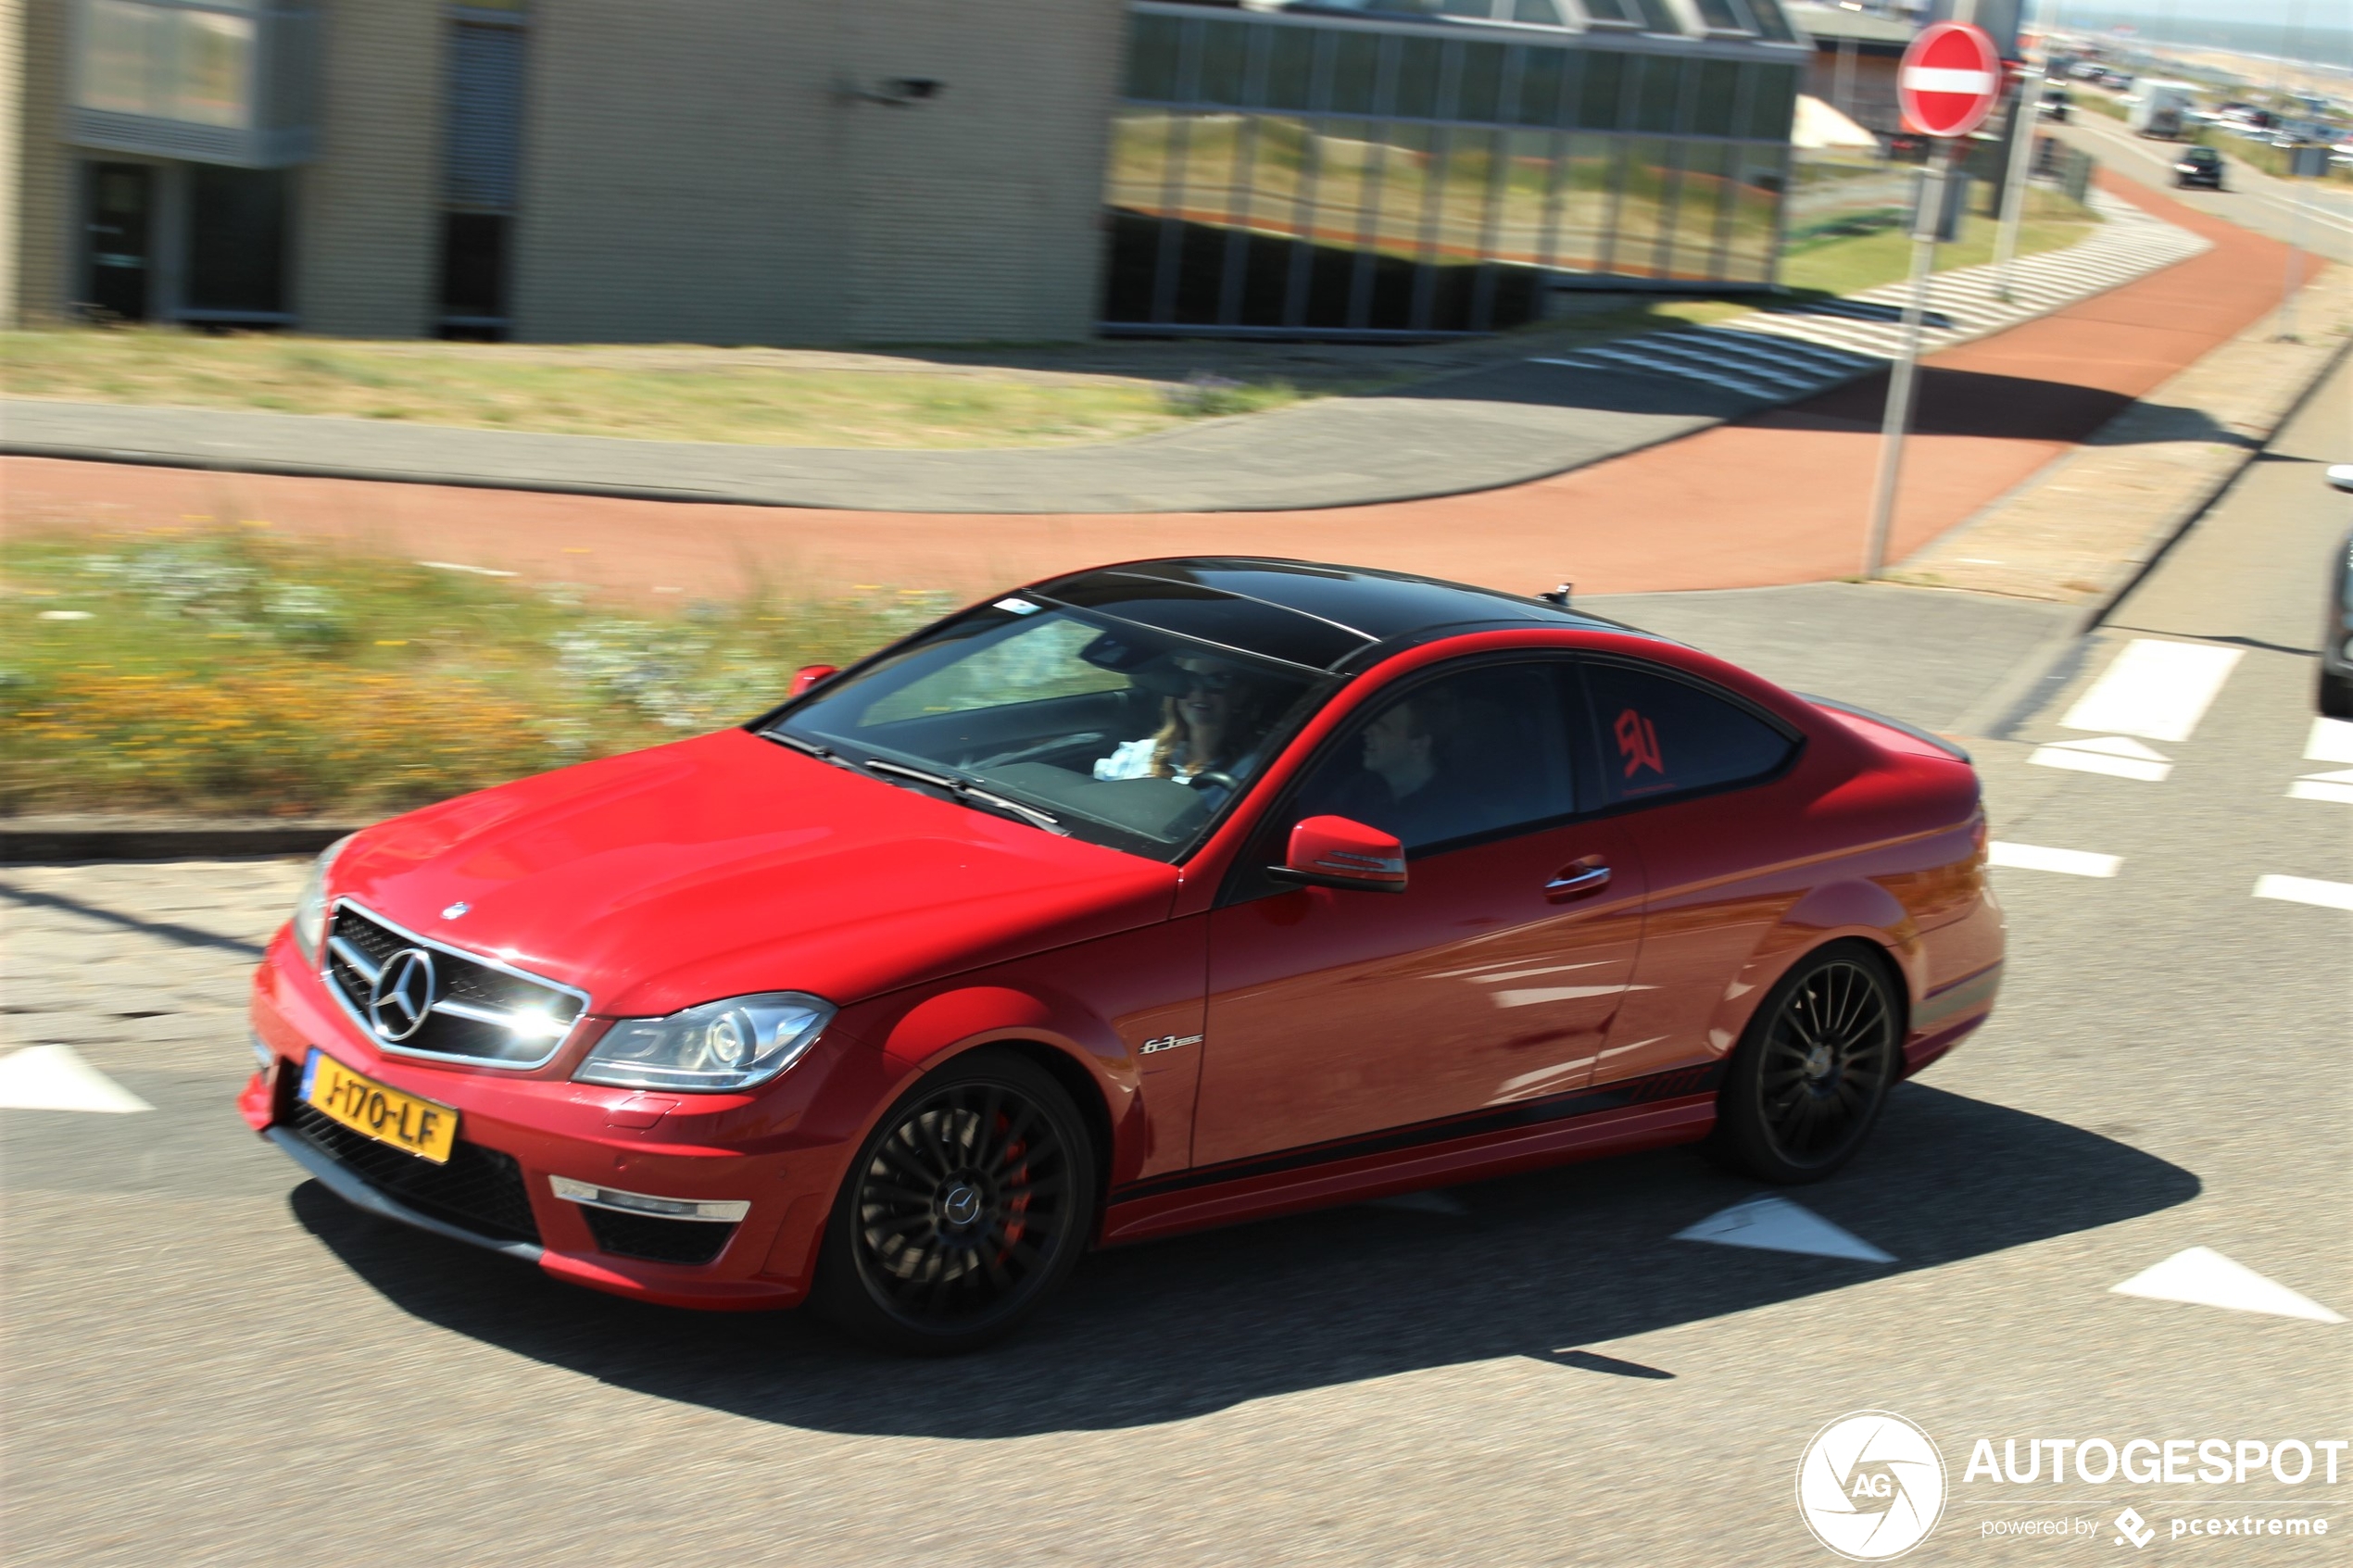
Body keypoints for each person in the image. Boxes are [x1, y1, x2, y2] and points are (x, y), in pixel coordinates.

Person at [1312, 689, 1462, 849]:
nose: (1365, 732)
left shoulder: (1452, 817)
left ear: (1419, 744)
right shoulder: (1361, 788)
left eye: (1382, 727)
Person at [1094, 656, 1269, 784]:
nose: (1200, 692)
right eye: (1189, 680)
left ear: (1240, 694)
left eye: (1216, 680)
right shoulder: (1139, 753)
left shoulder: (1249, 772)